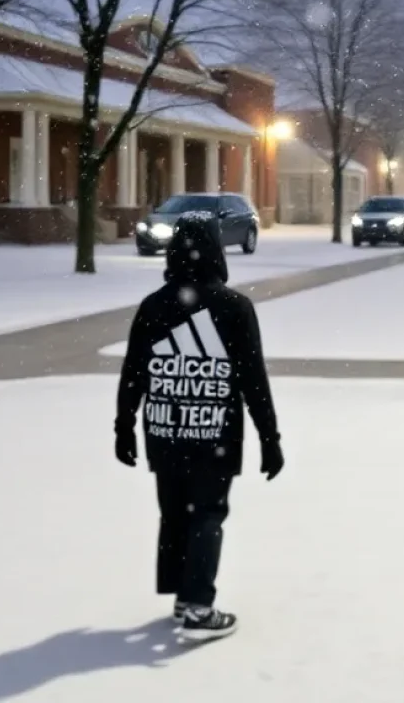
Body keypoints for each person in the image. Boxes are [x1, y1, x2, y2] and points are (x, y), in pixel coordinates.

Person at [114, 211, 284, 642]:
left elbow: (134, 372)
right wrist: (270, 438)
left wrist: (125, 425)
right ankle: (198, 606)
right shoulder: (233, 308)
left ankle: (181, 594)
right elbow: (252, 379)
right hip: (213, 435)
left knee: (175, 515)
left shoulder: (154, 306)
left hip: (164, 432)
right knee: (206, 515)